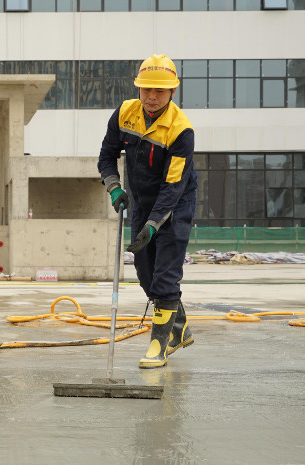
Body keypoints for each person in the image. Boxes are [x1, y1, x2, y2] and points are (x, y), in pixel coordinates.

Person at [98, 54, 198, 369]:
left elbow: (173, 186)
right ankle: (180, 328)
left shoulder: (181, 130)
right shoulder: (124, 114)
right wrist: (115, 187)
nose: (152, 97)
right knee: (145, 272)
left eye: (160, 91)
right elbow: (106, 156)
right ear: (138, 88)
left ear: (172, 92)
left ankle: (159, 345)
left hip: (175, 203)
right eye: (146, 89)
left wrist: (155, 224)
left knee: (165, 275)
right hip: (141, 203)